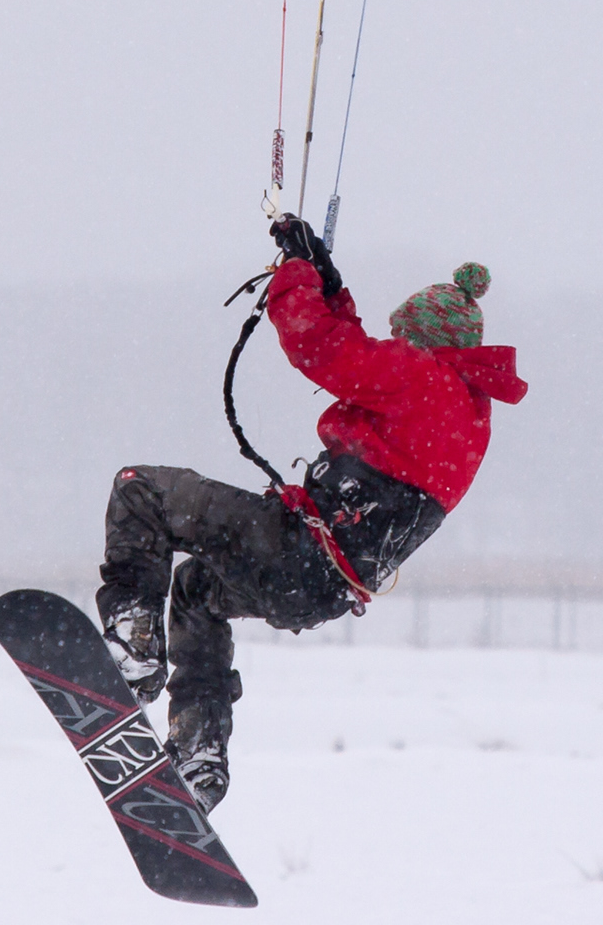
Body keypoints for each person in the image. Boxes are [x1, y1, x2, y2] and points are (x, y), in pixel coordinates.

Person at [94, 215, 528, 812]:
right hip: (321, 588)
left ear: (425, 342)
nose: (393, 344)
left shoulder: (422, 378)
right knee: (195, 591)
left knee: (140, 491)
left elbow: (320, 347)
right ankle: (197, 753)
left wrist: (297, 276)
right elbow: (356, 354)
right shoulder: (464, 414)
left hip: (296, 548)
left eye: (401, 335)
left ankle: (133, 647)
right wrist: (331, 285)